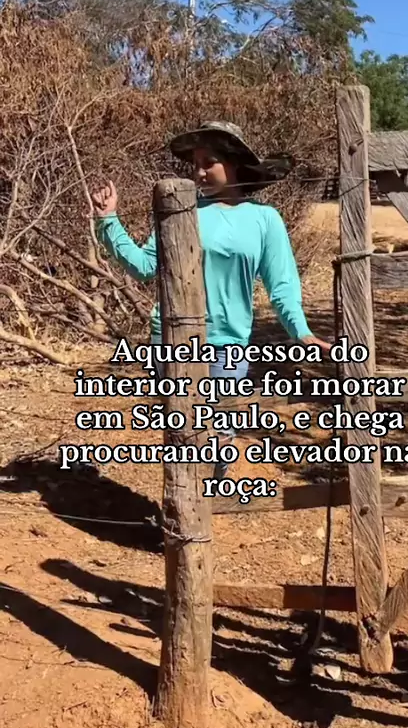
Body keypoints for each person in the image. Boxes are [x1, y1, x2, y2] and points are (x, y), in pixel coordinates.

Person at [92, 121, 330, 480]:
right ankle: (185, 509)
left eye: (209, 162)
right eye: (196, 164)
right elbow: (143, 267)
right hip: (171, 340)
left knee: (219, 435)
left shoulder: (264, 219)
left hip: (227, 344)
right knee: (184, 435)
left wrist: (301, 331)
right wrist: (108, 220)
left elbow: (282, 285)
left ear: (233, 163)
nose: (199, 172)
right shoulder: (179, 210)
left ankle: (213, 497)